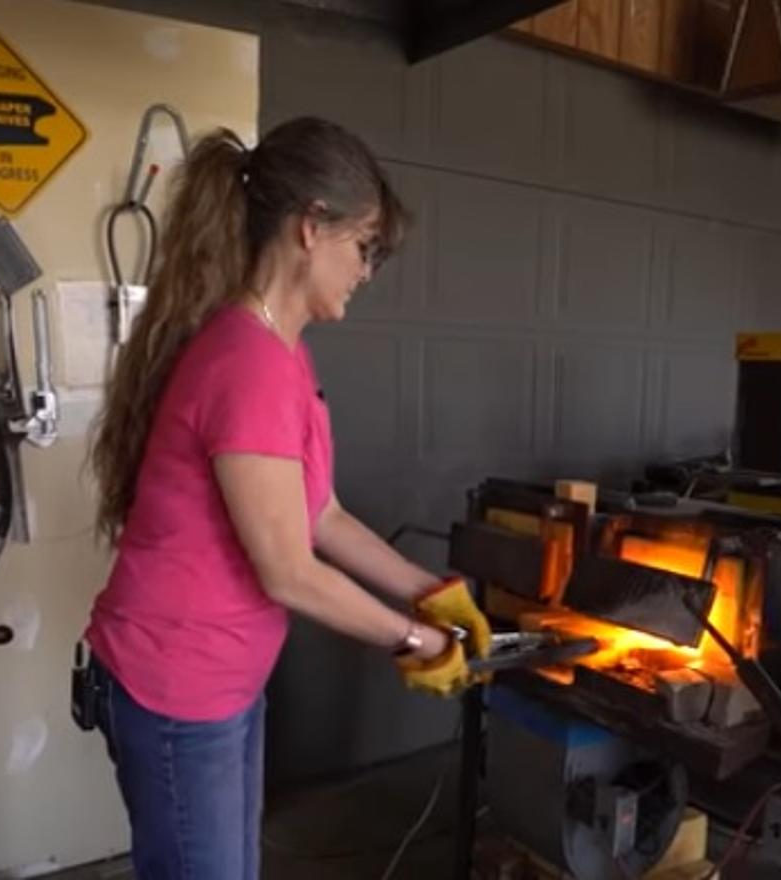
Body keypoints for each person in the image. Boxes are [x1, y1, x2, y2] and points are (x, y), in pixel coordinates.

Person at [85, 116, 491, 880]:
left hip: (222, 676)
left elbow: (320, 516)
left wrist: (432, 592)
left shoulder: (283, 354)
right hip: (176, 682)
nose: (366, 271)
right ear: (312, 227)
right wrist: (417, 641)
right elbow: (289, 572)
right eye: (363, 247)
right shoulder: (249, 364)